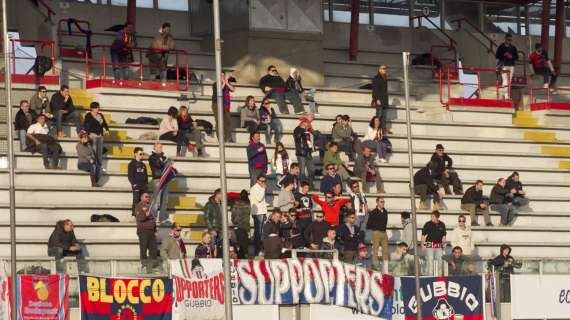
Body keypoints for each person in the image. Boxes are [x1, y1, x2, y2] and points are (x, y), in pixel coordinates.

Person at [135, 192, 158, 272]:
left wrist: (155, 229)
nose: (148, 198)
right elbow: (140, 218)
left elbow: (153, 219)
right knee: (143, 248)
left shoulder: (150, 206)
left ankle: (151, 266)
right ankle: (144, 265)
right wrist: (145, 215)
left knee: (153, 250)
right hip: (143, 230)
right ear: (142, 198)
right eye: (146, 197)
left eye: (149, 197)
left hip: (151, 231)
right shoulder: (139, 206)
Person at [212, 71, 236, 143]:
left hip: (225, 104)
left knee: (227, 121)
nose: (222, 77)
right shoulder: (216, 84)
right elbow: (220, 90)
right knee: (219, 121)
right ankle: (220, 138)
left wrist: (226, 82)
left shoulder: (226, 83)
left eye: (223, 75)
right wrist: (225, 82)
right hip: (217, 104)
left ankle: (228, 138)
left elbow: (233, 89)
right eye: (221, 76)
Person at [82, 102, 109, 166]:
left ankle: (99, 165)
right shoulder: (88, 115)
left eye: (98, 107)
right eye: (96, 107)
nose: (98, 109)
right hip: (92, 135)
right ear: (92, 108)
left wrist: (107, 129)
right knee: (94, 151)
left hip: (100, 135)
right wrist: (86, 135)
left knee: (99, 152)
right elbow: (85, 126)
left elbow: (104, 123)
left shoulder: (100, 115)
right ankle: (93, 165)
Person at [148, 143, 169, 221]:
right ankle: (153, 217)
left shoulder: (163, 157)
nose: (161, 149)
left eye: (161, 147)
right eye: (159, 147)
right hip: (157, 179)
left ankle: (162, 218)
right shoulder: (152, 157)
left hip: (165, 179)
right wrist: (164, 162)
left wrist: (167, 163)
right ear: (155, 148)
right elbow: (158, 165)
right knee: (156, 199)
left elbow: (167, 166)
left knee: (165, 200)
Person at [495, 33, 518, 100]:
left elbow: (516, 57)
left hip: (511, 65)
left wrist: (511, 56)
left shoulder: (513, 48)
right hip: (503, 65)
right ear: (505, 39)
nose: (509, 41)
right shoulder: (501, 47)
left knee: (509, 81)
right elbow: (497, 56)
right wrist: (504, 55)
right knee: (505, 80)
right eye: (508, 40)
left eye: (510, 40)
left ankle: (505, 94)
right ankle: (506, 95)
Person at [250, 174, 268, 256]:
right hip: (258, 213)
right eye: (261, 181)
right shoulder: (254, 188)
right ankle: (257, 252)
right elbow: (259, 199)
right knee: (258, 234)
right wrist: (263, 189)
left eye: (264, 181)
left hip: (261, 212)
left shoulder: (260, 188)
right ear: (257, 180)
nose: (263, 182)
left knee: (260, 233)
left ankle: (258, 251)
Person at [367, 197, 389, 264]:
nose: (383, 203)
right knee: (375, 251)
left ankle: (386, 268)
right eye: (381, 202)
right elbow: (369, 224)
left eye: (383, 202)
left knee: (385, 252)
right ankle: (375, 267)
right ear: (377, 202)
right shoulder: (373, 212)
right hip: (376, 232)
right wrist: (375, 228)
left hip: (384, 233)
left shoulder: (385, 211)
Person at [294, 119, 315, 186]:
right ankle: (302, 186)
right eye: (307, 123)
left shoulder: (307, 130)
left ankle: (310, 184)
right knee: (302, 170)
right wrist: (303, 130)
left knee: (312, 170)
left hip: (308, 152)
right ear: (303, 123)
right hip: (301, 152)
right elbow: (297, 136)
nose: (309, 124)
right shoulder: (297, 129)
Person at [128, 147, 148, 216]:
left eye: (142, 154)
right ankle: (134, 215)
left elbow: (146, 175)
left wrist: (146, 184)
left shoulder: (143, 164)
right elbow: (130, 175)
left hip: (143, 186)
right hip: (136, 185)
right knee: (136, 200)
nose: (141, 155)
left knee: (144, 201)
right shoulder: (132, 164)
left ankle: (142, 215)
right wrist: (134, 184)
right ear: (135, 154)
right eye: (140, 154)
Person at [371, 64, 391, 134]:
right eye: (383, 68)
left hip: (384, 100)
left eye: (385, 69)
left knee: (384, 117)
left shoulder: (385, 78)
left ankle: (383, 130)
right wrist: (377, 99)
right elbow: (374, 90)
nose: (385, 70)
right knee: (378, 116)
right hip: (379, 100)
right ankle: (376, 130)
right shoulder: (376, 78)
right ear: (379, 70)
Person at [231, 190, 251, 258]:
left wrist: (234, 221)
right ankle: (244, 257)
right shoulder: (248, 204)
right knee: (245, 246)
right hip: (245, 227)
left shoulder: (235, 203)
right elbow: (248, 216)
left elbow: (233, 215)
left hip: (237, 226)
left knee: (237, 244)